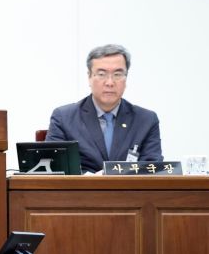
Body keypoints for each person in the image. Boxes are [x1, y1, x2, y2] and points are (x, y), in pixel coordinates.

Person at [45, 44, 162, 173]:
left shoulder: (146, 120)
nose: (110, 82)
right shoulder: (64, 118)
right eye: (101, 74)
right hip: (82, 186)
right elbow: (54, 168)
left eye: (117, 74)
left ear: (126, 78)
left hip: (128, 186)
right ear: (89, 77)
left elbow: (153, 169)